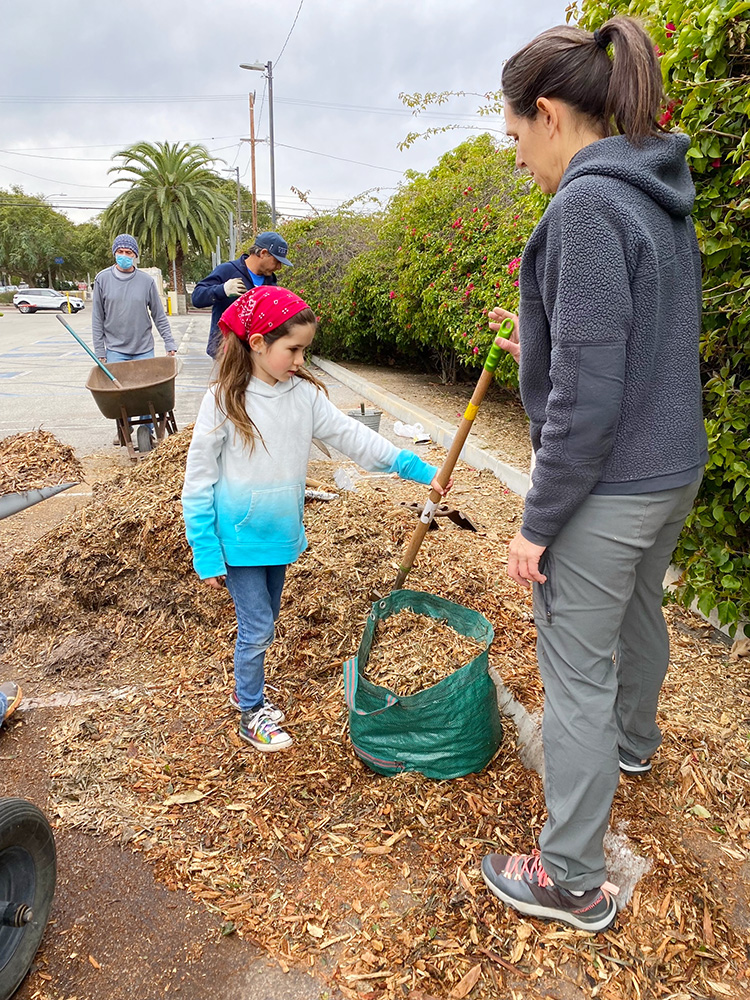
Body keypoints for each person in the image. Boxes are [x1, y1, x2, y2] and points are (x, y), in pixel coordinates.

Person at [480, 17, 707, 933]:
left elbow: (585, 398)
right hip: (670, 468)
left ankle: (570, 878)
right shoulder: (654, 190)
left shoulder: (583, 203)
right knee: (641, 610)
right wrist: (534, 327)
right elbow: (631, 334)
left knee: (572, 672)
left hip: (607, 484)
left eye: (516, 136)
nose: (521, 155)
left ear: (547, 113)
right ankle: (634, 747)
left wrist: (537, 522)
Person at [181, 286, 450, 752]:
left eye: (304, 349)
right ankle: (250, 709)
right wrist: (205, 550)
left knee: (264, 622)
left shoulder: (303, 396)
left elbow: (353, 438)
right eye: (293, 348)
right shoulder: (224, 401)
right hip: (239, 538)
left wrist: (417, 468)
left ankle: (253, 694)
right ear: (259, 342)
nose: (300, 359)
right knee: (257, 626)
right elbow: (198, 482)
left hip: (280, 534)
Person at [191, 232, 293, 359]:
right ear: (263, 253)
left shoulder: (270, 282)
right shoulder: (227, 270)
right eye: (277, 261)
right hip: (225, 353)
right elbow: (196, 298)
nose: (279, 267)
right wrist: (222, 290)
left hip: (254, 354)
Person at [92, 235, 176, 364]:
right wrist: (99, 351)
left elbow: (159, 315)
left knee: (145, 384)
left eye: (128, 252)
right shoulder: (102, 279)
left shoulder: (147, 281)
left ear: (135, 255)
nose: (124, 255)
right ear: (114, 253)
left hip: (144, 350)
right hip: (115, 351)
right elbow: (98, 317)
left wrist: (169, 342)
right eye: (120, 251)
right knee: (119, 384)